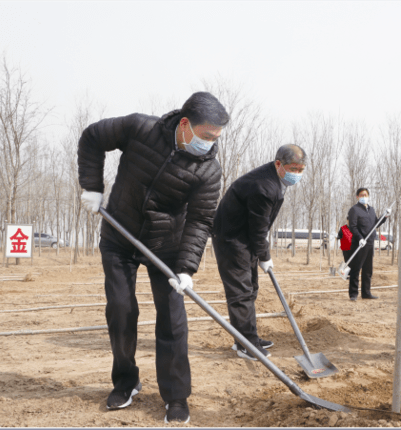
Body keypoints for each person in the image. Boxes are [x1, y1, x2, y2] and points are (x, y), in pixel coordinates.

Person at [77, 91, 229, 424]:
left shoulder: (208, 171)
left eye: (216, 138)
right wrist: (91, 185)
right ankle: (126, 382)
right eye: (206, 136)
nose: (210, 144)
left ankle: (176, 396)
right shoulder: (139, 129)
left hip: (167, 246)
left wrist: (187, 268)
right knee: (121, 309)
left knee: (173, 319)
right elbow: (91, 137)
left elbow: (200, 220)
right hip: (120, 234)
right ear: (185, 124)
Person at [212, 144, 307, 360]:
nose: (297, 174)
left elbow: (258, 229)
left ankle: (245, 338)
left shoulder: (276, 181)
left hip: (243, 238)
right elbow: (258, 230)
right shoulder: (264, 186)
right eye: (293, 168)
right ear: (278, 164)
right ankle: (247, 345)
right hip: (231, 239)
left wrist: (260, 253)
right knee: (241, 292)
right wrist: (265, 255)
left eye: (301, 170)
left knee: (251, 288)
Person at [347, 188, 388, 301]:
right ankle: (353, 294)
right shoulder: (354, 210)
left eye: (365, 194)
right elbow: (353, 227)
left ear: (368, 196)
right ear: (357, 197)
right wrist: (360, 238)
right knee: (356, 269)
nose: (364, 196)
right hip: (359, 244)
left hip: (370, 243)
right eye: (361, 195)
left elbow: (376, 224)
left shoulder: (371, 210)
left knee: (368, 270)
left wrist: (384, 217)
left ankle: (366, 293)